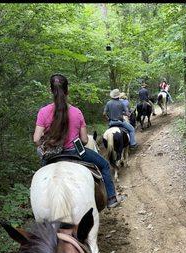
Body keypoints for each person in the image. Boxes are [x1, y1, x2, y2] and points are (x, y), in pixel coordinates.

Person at [33, 73, 121, 208]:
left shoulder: (43, 112)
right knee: (104, 165)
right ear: (67, 90)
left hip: (51, 155)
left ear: (51, 90)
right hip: (76, 151)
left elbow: (36, 139)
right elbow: (85, 140)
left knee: (38, 183)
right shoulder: (77, 112)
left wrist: (49, 144)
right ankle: (111, 198)